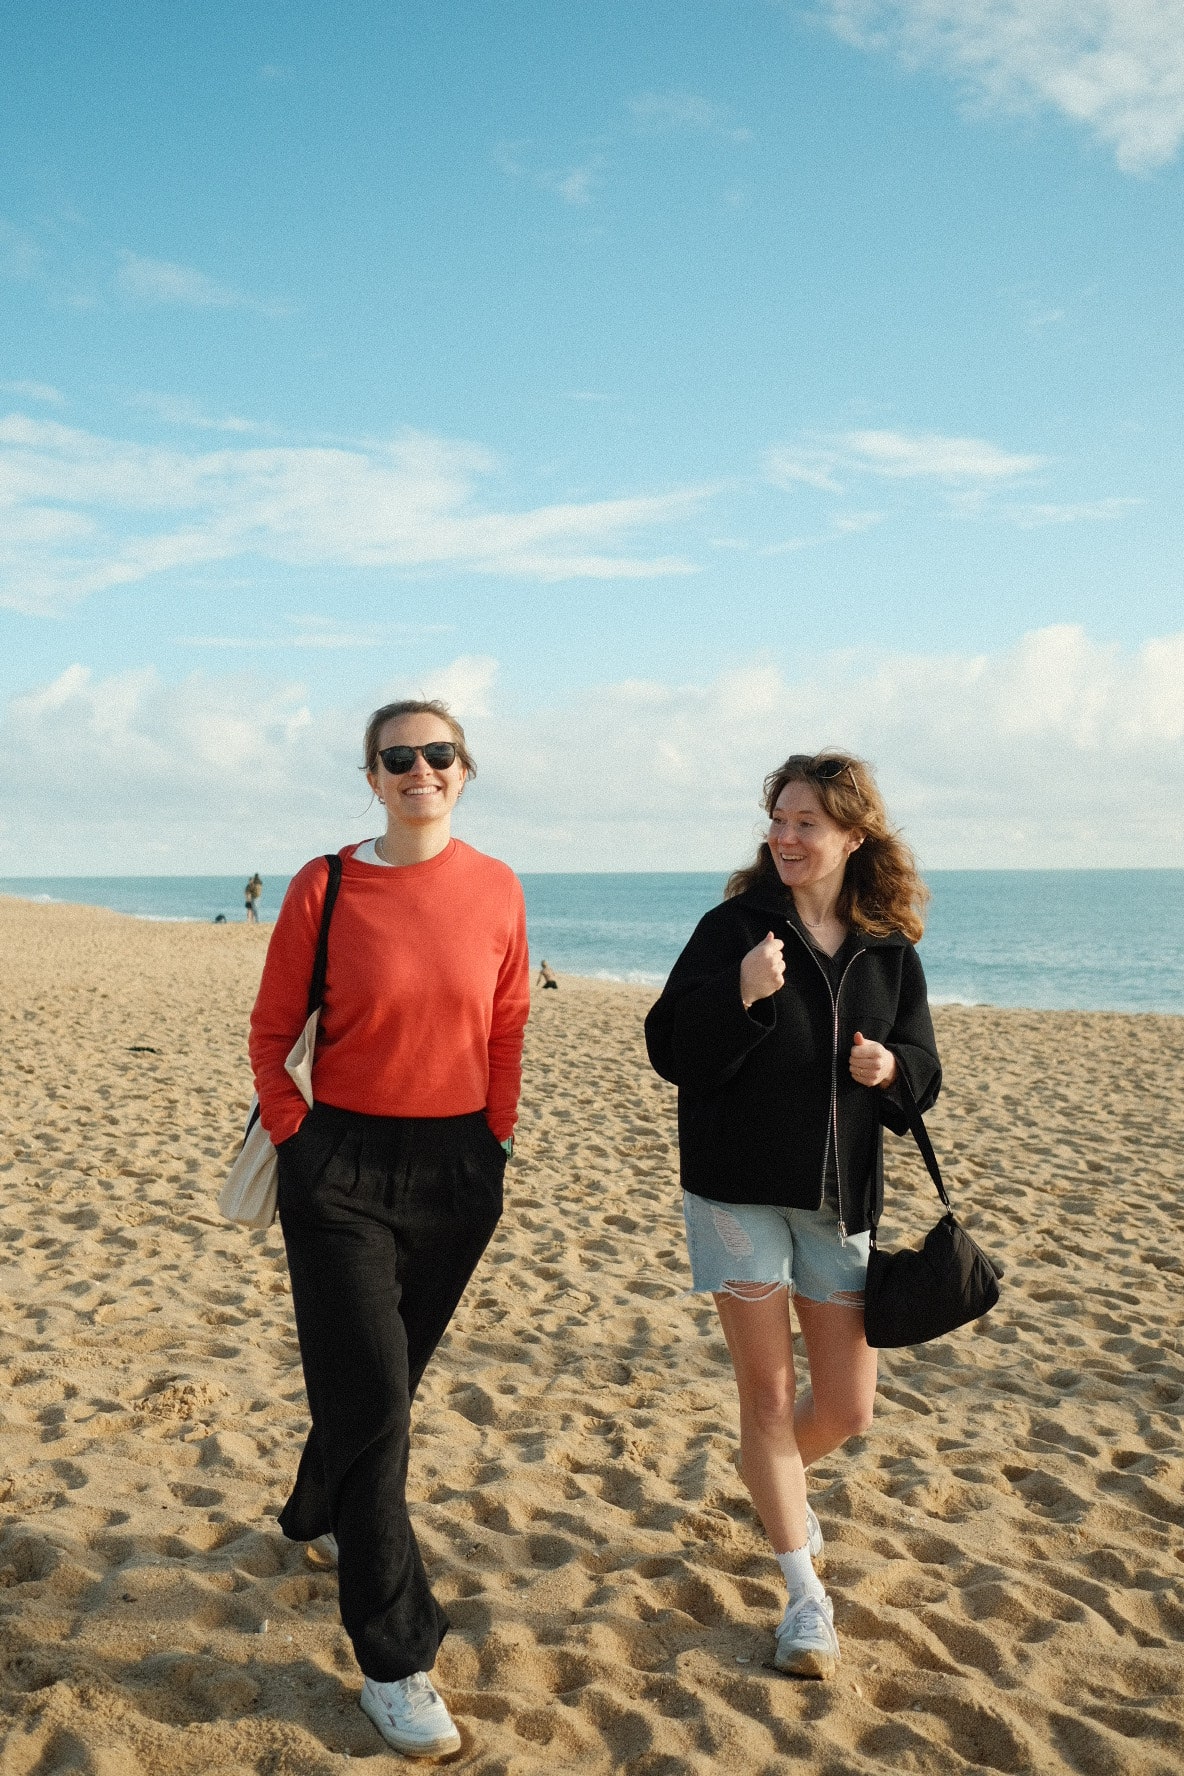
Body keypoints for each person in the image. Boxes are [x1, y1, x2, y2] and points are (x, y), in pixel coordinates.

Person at [248, 697, 530, 1757]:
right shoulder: (324, 885)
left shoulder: (498, 886)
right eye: (397, 757)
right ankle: (395, 1659)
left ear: (464, 768)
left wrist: (495, 1138)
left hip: (460, 1168)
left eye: (438, 753)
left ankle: (314, 1506)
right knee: (376, 1403)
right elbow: (271, 1034)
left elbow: (508, 1021)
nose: (420, 769)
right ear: (371, 778)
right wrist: (300, 1142)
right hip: (341, 1173)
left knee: (383, 1383)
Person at [644, 752, 940, 1680]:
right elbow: (669, 1046)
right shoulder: (733, 930)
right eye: (778, 819)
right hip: (735, 1194)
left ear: (854, 835)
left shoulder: (888, 948)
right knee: (768, 1402)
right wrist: (740, 992)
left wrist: (893, 1071)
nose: (785, 836)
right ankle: (805, 1597)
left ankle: (768, 1475)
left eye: (807, 822)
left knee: (848, 1408)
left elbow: (924, 1068)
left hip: (839, 1200)